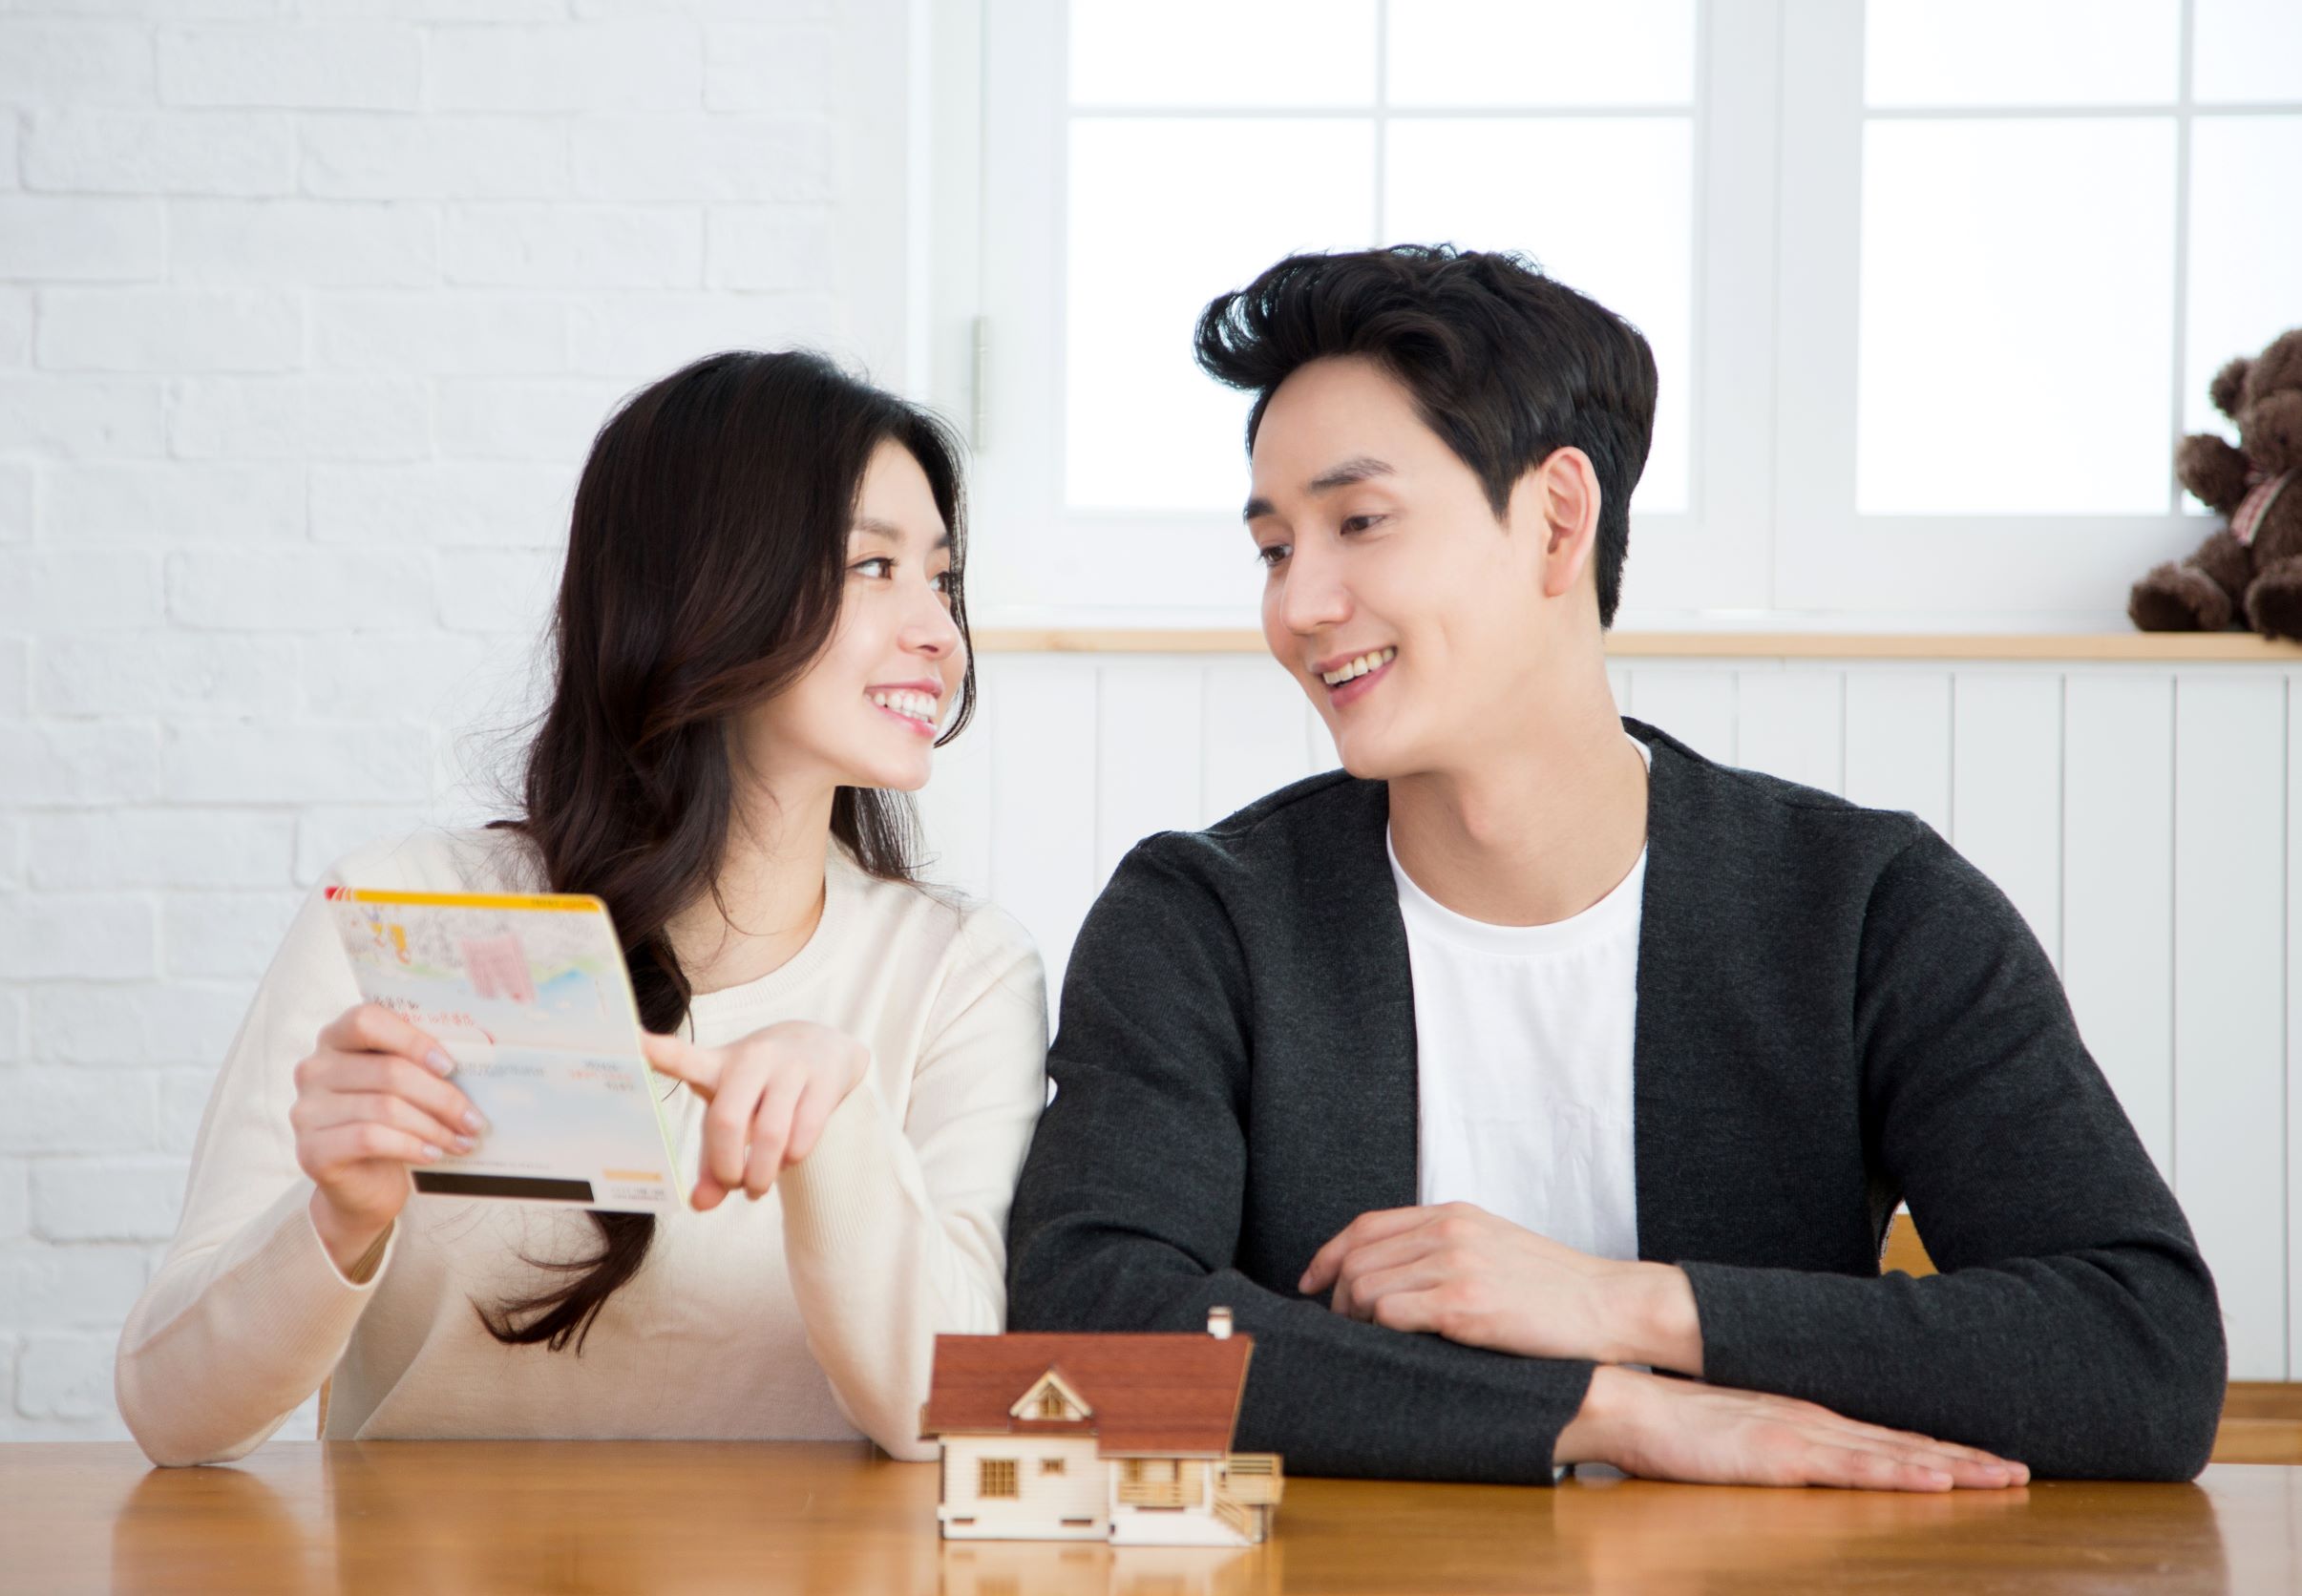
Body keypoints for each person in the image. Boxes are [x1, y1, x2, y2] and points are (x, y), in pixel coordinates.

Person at [1006, 245, 2224, 1488]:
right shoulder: (1201, 920)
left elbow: (2143, 1352)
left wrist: (1620, 1305)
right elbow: (1080, 1335)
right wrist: (1606, 1411)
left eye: (1359, 523)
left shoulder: (1868, 909)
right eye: (1274, 548)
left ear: (1557, 519)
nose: (1298, 605)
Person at [118, 350, 1048, 1467]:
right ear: (705, 585)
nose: (941, 631)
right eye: (873, 567)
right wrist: (337, 1220)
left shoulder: (962, 972)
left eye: (941, 578)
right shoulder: (406, 914)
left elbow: (953, 1418)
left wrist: (839, 1125)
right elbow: (168, 1411)